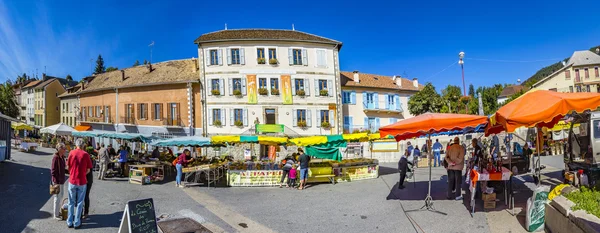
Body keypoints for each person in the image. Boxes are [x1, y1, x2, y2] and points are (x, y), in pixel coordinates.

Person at [66, 138, 93, 229]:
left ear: (76, 144)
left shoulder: (71, 153)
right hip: (82, 181)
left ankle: (69, 221)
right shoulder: (86, 155)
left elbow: (68, 166)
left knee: (71, 202)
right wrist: (82, 173)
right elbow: (89, 169)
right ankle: (77, 222)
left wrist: (72, 172)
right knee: (80, 203)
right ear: (83, 145)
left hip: (72, 180)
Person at [51, 143, 67, 220]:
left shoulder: (62, 157)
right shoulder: (56, 158)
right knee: (57, 197)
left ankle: (57, 211)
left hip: (62, 180)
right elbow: (53, 171)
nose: (65, 150)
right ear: (60, 149)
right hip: (57, 181)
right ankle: (55, 215)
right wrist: (56, 181)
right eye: (64, 148)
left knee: (61, 196)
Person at [83, 152, 94, 219]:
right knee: (85, 196)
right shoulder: (89, 160)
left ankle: (86, 212)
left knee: (85, 196)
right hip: (88, 180)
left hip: (87, 180)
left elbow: (88, 171)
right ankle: (85, 212)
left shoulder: (87, 161)